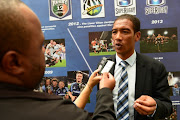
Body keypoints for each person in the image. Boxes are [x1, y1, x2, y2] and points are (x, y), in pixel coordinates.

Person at [0, 0, 116, 120]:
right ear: (13, 63)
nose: (45, 52)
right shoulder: (56, 112)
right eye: (40, 46)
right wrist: (105, 91)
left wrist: (89, 86)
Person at [98, 14, 172, 120]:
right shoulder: (105, 66)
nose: (118, 37)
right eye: (114, 32)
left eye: (125, 31)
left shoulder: (155, 68)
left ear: (137, 36)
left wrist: (155, 107)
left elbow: (167, 106)